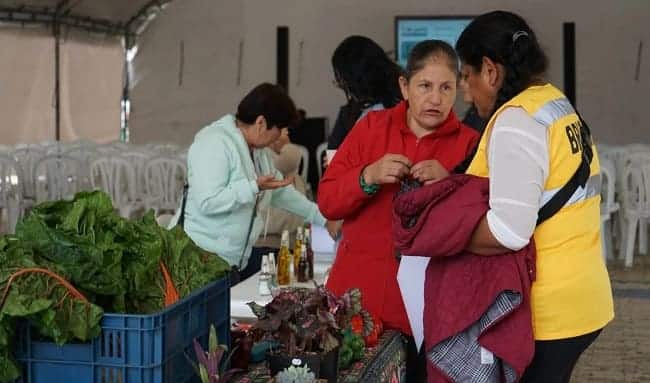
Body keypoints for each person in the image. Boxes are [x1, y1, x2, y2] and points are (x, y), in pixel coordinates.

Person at [456, 11, 614, 383]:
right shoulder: (553, 102)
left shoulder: (517, 120)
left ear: (491, 72)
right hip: (584, 293)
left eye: (466, 75)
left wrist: (447, 237)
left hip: (549, 307)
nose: (464, 88)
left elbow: (509, 231)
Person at [318, 40, 479, 382]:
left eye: (446, 87)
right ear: (405, 87)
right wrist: (367, 176)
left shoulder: (469, 144)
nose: (435, 98)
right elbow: (329, 201)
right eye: (425, 86)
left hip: (430, 313)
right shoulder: (371, 128)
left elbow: (482, 224)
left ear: (458, 91)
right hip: (358, 303)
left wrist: (450, 182)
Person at [171, 83, 337, 284]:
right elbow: (208, 201)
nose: (279, 137)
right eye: (279, 129)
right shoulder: (214, 143)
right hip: (200, 263)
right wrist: (252, 187)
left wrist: (323, 218)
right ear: (261, 122)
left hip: (232, 262)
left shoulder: (258, 152)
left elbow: (280, 192)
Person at [327, 35, 403, 150]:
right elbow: (333, 152)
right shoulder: (350, 112)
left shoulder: (396, 109)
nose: (342, 86)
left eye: (343, 80)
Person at [255, 126, 308, 250]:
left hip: (287, 240)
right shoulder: (264, 156)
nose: (287, 132)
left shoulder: (276, 156)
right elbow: (289, 161)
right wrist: (287, 145)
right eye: (283, 128)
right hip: (268, 243)